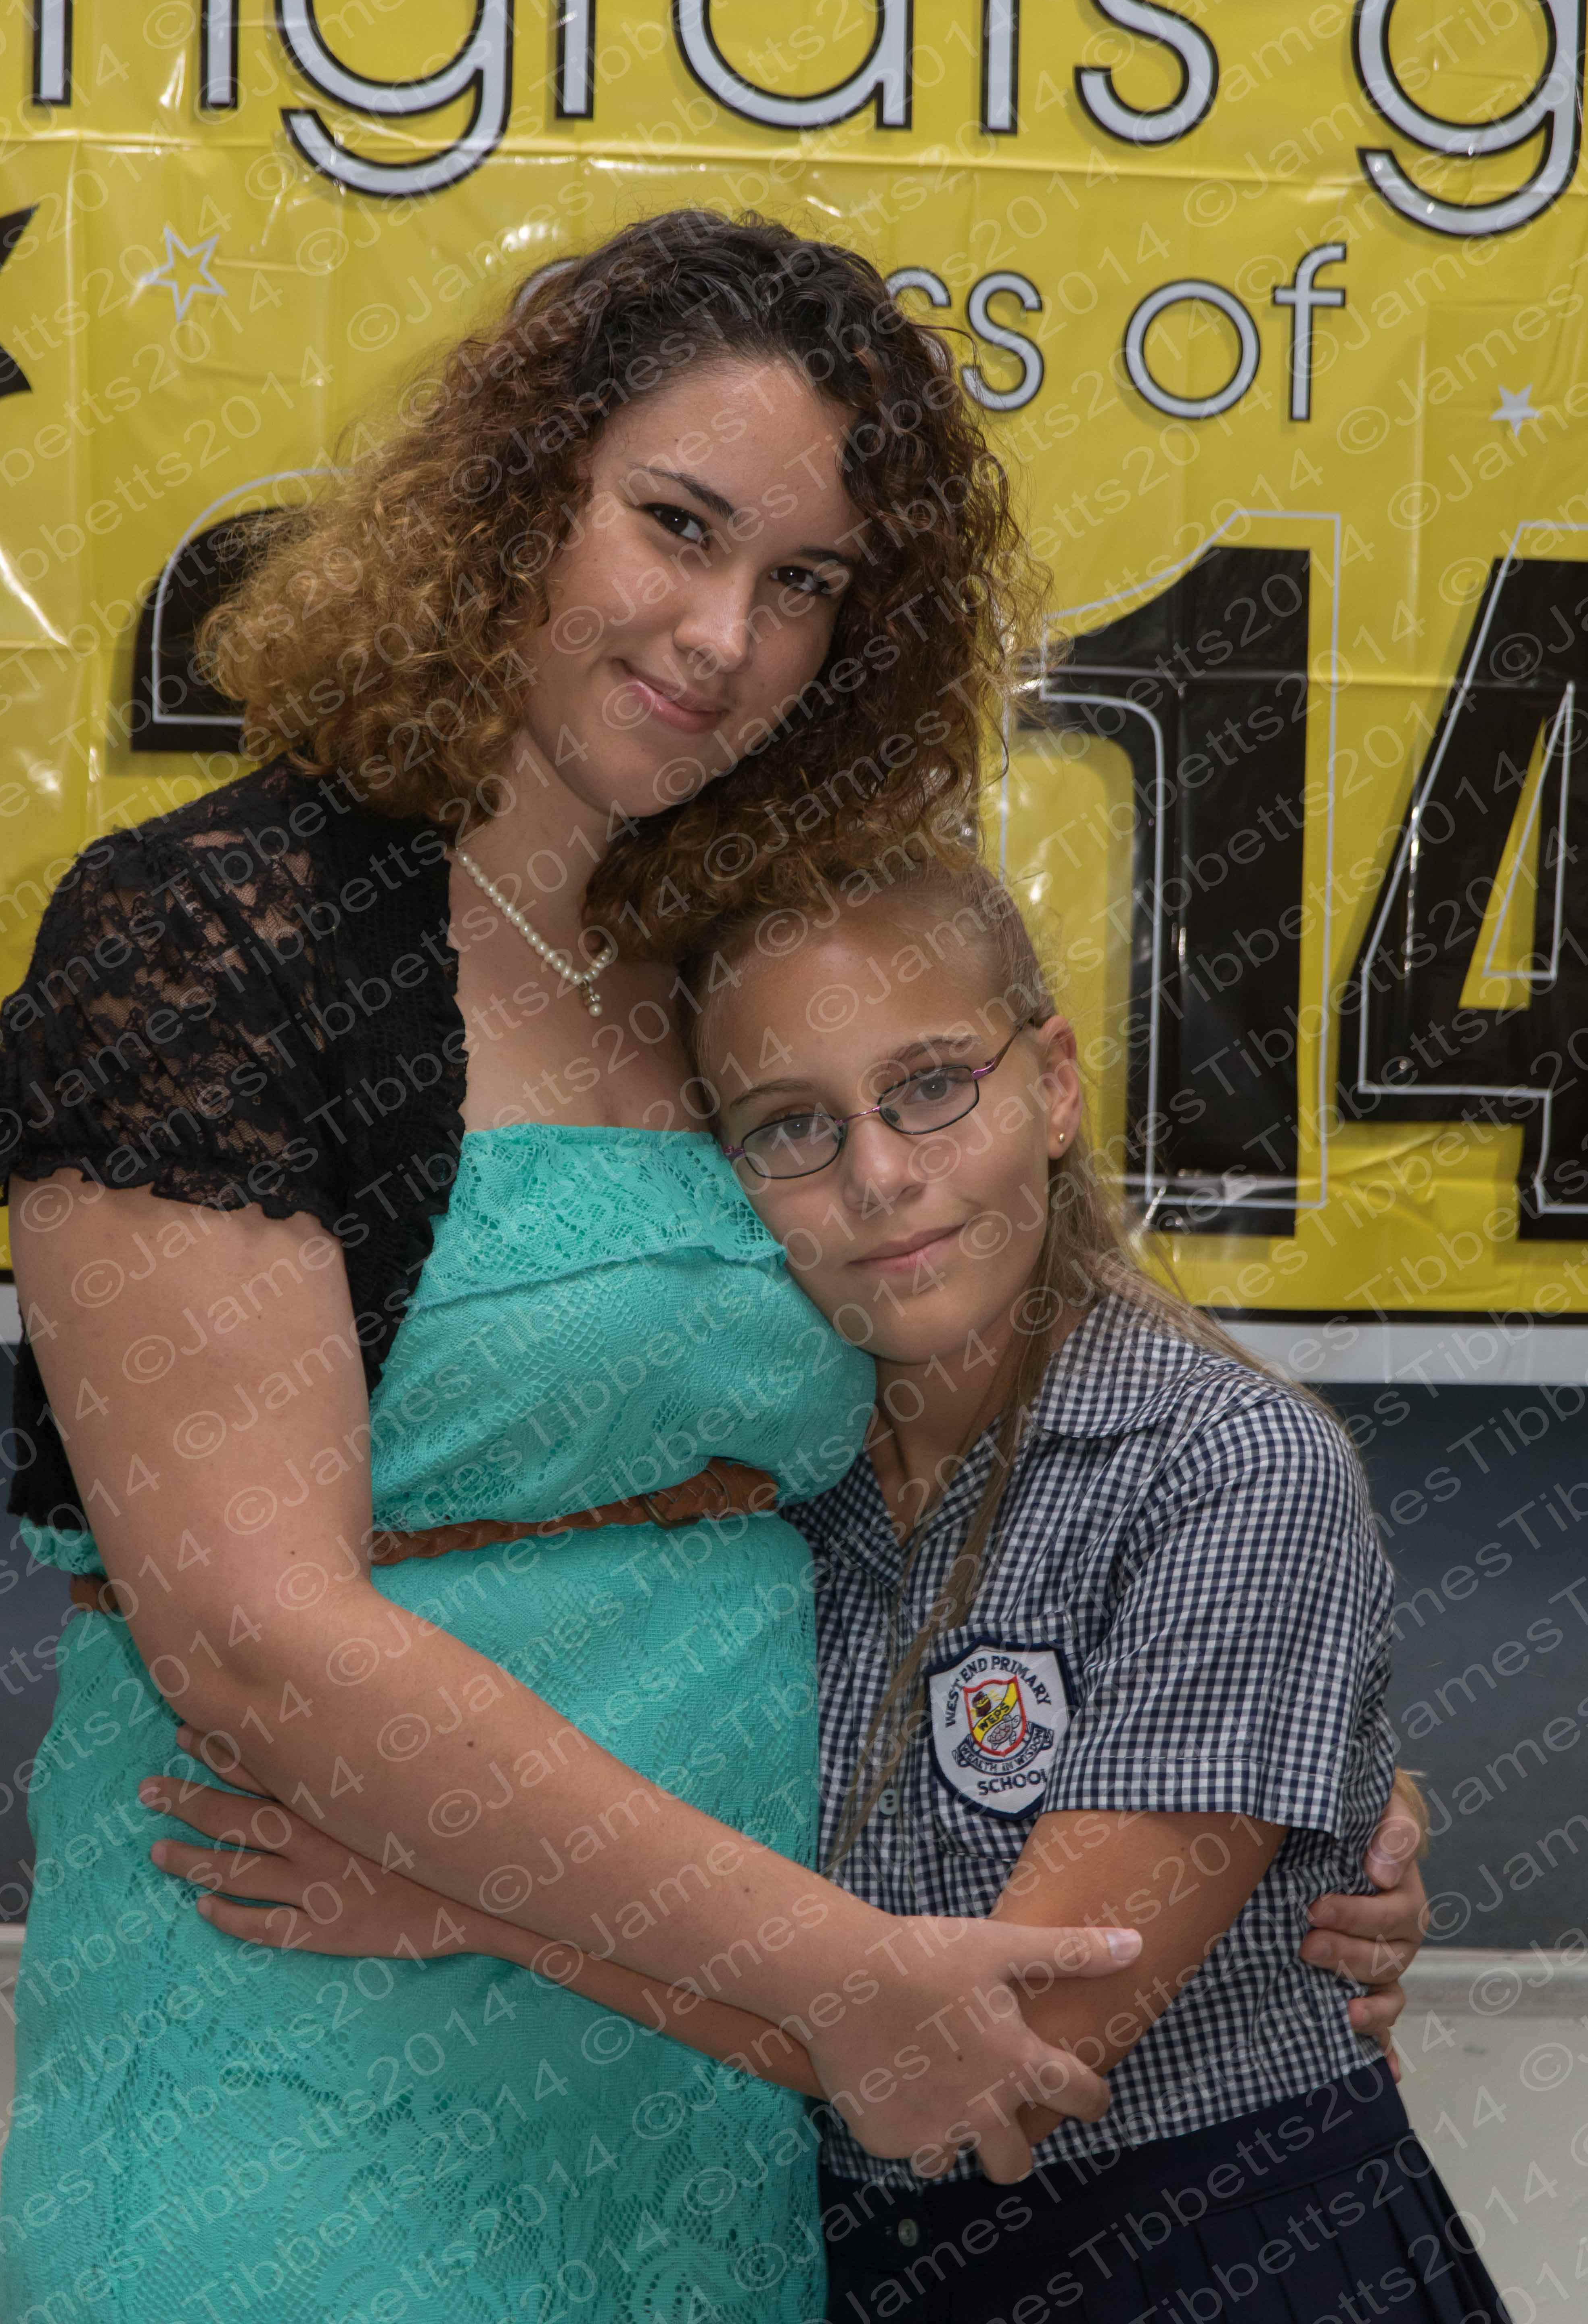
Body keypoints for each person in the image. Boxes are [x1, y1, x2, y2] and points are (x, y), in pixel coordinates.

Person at [0, 212, 1136, 2324]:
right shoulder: (209, 938)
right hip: (301, 2056)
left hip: (702, 2095)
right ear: (517, 497)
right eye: (676, 526)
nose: (725, 636)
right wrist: (834, 1974)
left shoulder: (752, 957)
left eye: (808, 586)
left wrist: (1255, 1772)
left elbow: (1007, 1455)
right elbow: (257, 1644)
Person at [143, 851, 1462, 2324]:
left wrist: (479, 1911)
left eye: (932, 1086)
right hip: (842, 2256)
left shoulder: (1231, 1466)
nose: (879, 1177)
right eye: (792, 1127)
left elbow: (1012, 2062)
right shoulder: (754, 1492)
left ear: (1056, 1086)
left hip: (1221, 2251)